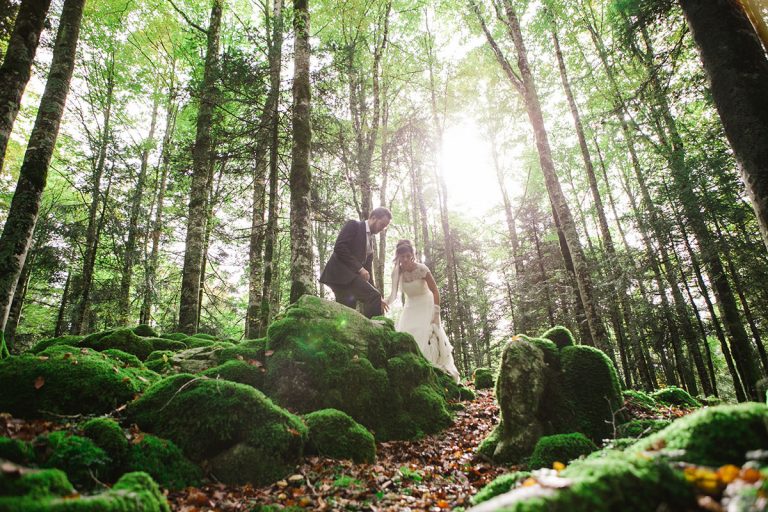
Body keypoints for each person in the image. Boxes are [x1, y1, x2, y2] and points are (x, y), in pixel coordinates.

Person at [384, 240, 461, 383]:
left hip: (426, 304)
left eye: (408, 255)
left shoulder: (422, 269)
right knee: (406, 337)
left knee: (425, 337)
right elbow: (393, 295)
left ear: (412, 255)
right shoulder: (397, 272)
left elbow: (435, 291)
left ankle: (429, 375)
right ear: (398, 257)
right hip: (410, 307)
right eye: (402, 256)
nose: (405, 259)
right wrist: (384, 301)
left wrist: (436, 314)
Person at [319, 207, 391, 318]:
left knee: (347, 314)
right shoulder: (354, 225)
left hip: (349, 280)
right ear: (373, 218)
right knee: (373, 296)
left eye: (385, 227)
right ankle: (372, 331)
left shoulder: (371, 243)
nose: (382, 229)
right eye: (382, 224)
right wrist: (360, 268)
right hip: (339, 274)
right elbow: (339, 247)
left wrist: (378, 297)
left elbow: (367, 274)